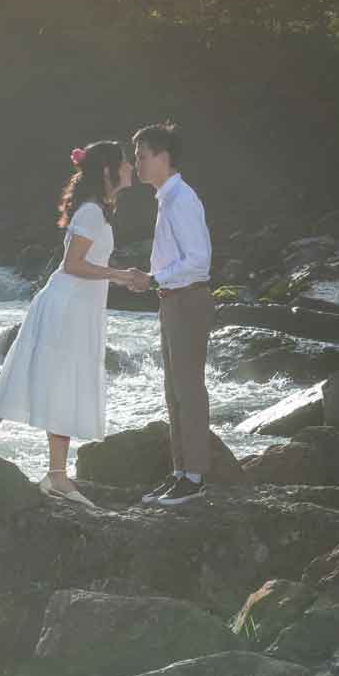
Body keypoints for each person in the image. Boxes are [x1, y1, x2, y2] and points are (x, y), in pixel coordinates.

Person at [0, 141, 150, 506]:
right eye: (125, 163)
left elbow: (86, 265)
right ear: (107, 171)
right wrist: (122, 273)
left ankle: (53, 474)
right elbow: (73, 265)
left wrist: (123, 279)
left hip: (78, 306)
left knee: (53, 380)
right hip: (66, 306)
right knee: (31, 372)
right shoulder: (92, 213)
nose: (130, 167)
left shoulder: (98, 211)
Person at [132, 122, 214, 505]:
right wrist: (155, 282)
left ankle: (194, 478)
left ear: (163, 157)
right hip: (172, 299)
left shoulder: (182, 199)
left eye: (142, 156)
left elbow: (199, 260)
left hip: (188, 299)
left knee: (189, 391)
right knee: (173, 393)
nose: (136, 164)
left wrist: (153, 279)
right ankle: (181, 472)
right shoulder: (167, 197)